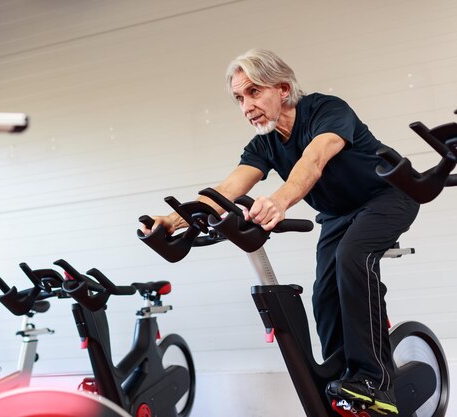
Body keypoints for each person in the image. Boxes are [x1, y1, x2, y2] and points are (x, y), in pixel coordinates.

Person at [141, 48, 419, 415]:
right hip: (338, 213)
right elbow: (227, 190)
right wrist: (170, 221)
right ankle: (347, 382)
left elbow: (315, 158)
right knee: (324, 294)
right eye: (239, 98)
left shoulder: (327, 110)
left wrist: (280, 200)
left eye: (254, 92)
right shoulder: (266, 143)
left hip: (389, 194)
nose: (246, 106)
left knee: (353, 258)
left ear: (283, 89)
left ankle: (374, 381)